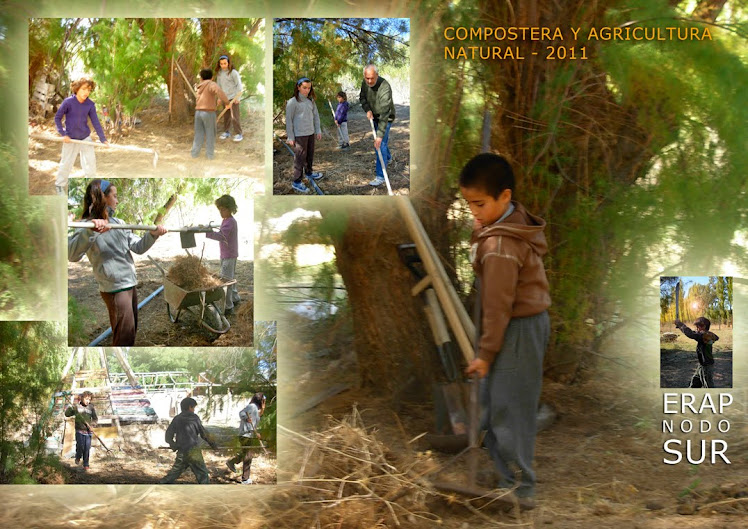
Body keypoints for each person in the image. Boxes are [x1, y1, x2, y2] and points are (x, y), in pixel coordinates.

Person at [459, 153, 551, 507]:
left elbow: (497, 308)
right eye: (468, 204)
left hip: (518, 328)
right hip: (515, 326)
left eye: (480, 204)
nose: (474, 213)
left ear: (505, 197)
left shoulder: (500, 245)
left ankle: (519, 486)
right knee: (499, 401)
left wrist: (485, 355)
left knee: (511, 407)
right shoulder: (504, 225)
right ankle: (505, 476)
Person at [68, 179, 167, 346]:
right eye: (114, 196)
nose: (117, 200)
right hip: (114, 289)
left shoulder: (119, 223)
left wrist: (153, 234)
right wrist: (91, 232)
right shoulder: (86, 224)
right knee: (124, 337)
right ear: (103, 198)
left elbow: (138, 247)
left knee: (130, 331)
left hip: (130, 284)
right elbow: (72, 255)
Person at [54, 77, 108, 196]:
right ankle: (59, 185)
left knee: (90, 165)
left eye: (88, 90)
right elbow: (57, 118)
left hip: (85, 138)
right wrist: (63, 134)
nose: (86, 92)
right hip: (70, 139)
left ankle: (93, 190)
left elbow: (96, 122)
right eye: (83, 89)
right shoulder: (68, 102)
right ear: (77, 89)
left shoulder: (90, 104)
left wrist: (103, 139)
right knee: (66, 163)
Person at [160, 397, 218, 484]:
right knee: (202, 474)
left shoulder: (177, 418)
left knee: (174, 473)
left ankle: (161, 484)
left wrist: (173, 445)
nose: (194, 410)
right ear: (190, 407)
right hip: (194, 452)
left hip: (182, 451)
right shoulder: (194, 418)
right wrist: (213, 444)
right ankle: (206, 492)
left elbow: (168, 435)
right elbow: (204, 433)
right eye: (193, 407)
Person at [359, 64, 395, 187]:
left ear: (377, 75)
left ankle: (380, 176)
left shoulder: (385, 87)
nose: (369, 81)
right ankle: (388, 158)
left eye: (372, 78)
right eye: (367, 78)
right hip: (374, 116)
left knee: (379, 144)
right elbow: (362, 98)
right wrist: (367, 110)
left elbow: (385, 112)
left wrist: (379, 135)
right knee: (382, 143)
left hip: (386, 117)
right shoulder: (365, 83)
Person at [285, 77, 323, 194]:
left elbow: (316, 116)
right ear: (298, 87)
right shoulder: (292, 102)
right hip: (299, 135)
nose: (307, 90)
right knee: (300, 158)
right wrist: (290, 136)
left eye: (309, 88)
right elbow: (289, 120)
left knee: (309, 155)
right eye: (304, 88)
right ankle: (296, 181)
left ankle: (309, 173)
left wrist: (318, 130)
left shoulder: (310, 101)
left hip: (310, 133)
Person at [205, 194, 240, 313]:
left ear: (230, 209)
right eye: (219, 209)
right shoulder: (226, 220)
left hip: (229, 255)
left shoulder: (230, 221)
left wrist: (208, 232)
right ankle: (235, 299)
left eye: (223, 209)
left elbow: (222, 236)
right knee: (230, 277)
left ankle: (228, 307)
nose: (221, 212)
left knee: (226, 281)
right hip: (228, 253)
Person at [192, 68, 232, 159]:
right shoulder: (211, 84)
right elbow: (219, 92)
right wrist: (227, 103)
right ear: (212, 77)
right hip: (208, 113)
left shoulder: (200, 86)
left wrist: (215, 102)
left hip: (198, 113)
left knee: (198, 134)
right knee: (210, 134)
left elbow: (206, 98)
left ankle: (194, 154)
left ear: (201, 78)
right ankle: (210, 156)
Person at [226, 392, 265, 484]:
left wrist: (256, 433)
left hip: (249, 435)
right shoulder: (252, 406)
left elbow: (255, 421)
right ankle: (245, 479)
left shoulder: (256, 409)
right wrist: (246, 418)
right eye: (264, 400)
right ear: (260, 400)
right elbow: (241, 413)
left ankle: (232, 462)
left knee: (246, 455)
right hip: (245, 435)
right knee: (248, 456)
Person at [675, 316, 719, 388]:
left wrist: (680, 324)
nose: (696, 328)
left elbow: (690, 334)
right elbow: (716, 337)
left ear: (703, 326)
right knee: (695, 381)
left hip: (706, 365)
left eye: (698, 326)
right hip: (702, 365)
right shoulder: (707, 335)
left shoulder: (705, 336)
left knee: (708, 386)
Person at [64, 391, 98, 471]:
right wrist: (70, 407)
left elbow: (95, 418)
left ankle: (86, 464)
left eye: (89, 399)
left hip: (88, 431)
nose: (88, 401)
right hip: (79, 430)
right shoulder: (76, 407)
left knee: (87, 448)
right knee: (80, 446)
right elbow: (67, 414)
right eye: (86, 399)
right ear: (82, 398)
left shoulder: (91, 407)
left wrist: (92, 425)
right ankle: (78, 456)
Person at [215, 55, 243, 142]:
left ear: (228, 63)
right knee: (226, 116)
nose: (223, 65)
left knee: (235, 116)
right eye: (221, 64)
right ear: (219, 64)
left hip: (234, 97)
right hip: (225, 98)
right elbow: (219, 87)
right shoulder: (219, 74)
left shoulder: (233, 73)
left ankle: (239, 133)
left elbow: (239, 85)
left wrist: (238, 98)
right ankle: (226, 132)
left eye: (225, 63)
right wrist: (219, 98)